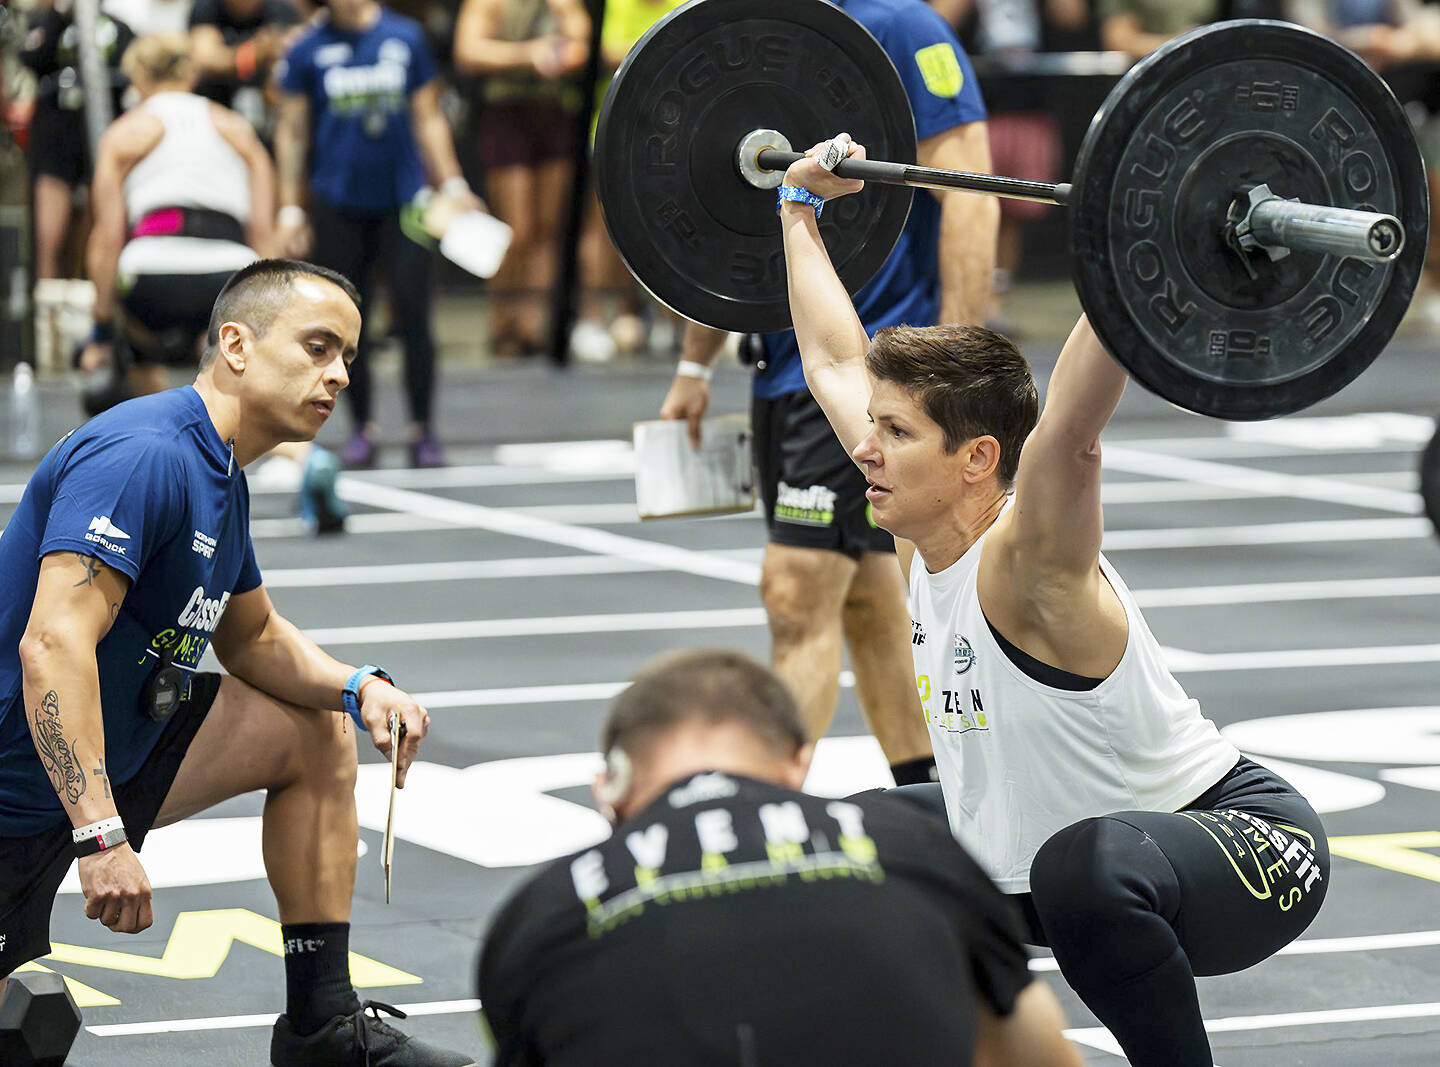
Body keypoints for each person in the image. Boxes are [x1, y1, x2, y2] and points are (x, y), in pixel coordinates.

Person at [774, 134, 1331, 1067]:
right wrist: (797, 206)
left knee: (1084, 863)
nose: (864, 450)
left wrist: (1139, 242)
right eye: (875, 427)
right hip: (1034, 868)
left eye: (896, 432)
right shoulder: (919, 524)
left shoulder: (1026, 560)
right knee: (835, 837)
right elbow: (834, 361)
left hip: (1238, 849)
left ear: (978, 459)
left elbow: (1073, 426)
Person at [0, 259, 474, 1067]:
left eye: (349, 358)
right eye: (319, 346)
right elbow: (52, 644)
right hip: (20, 791)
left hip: (110, 762)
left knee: (314, 730)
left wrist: (361, 686)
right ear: (236, 345)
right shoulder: (143, 455)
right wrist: (102, 835)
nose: (337, 375)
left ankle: (322, 1025)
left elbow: (251, 638)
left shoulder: (221, 474)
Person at [659, 0, 998, 789]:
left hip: (872, 365)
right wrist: (694, 364)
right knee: (872, 600)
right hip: (783, 360)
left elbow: (971, 192)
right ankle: (935, 800)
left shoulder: (900, 25)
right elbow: (720, 223)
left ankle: (769, 810)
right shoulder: (743, 35)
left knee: (796, 589)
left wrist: (956, 368)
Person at [478, 648, 1083, 1067]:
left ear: (607, 789)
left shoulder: (541, 913)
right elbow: (1034, 1046)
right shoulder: (914, 846)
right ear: (799, 763)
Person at [78, 32, 348, 533]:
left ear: (139, 79)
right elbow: (264, 237)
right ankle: (301, 460)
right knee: (236, 384)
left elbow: (106, 238)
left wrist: (100, 328)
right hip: (228, 273)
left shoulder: (125, 130)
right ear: (190, 75)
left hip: (152, 271)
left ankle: (160, 484)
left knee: (137, 360)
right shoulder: (236, 129)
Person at [274, 0, 485, 469]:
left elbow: (427, 115)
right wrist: (290, 207)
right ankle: (363, 429)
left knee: (414, 308)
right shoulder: (307, 48)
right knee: (347, 322)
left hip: (406, 202)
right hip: (337, 202)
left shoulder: (405, 37)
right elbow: (291, 130)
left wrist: (451, 183)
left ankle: (423, 430)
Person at [453, 0, 589, 359]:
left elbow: (582, 40)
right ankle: (504, 323)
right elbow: (468, 50)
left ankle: (536, 324)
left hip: (553, 110)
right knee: (517, 228)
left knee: (549, 227)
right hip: (506, 112)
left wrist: (561, 22)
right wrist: (529, 55)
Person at [19, 0, 134, 281]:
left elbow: (132, 69)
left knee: (96, 229)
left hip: (100, 139)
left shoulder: (116, 27)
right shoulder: (46, 22)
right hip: (54, 138)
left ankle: (96, 302)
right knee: (49, 234)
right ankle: (47, 309)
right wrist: (57, 17)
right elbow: (30, 57)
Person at [187, 0, 302, 138]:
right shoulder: (207, 7)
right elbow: (205, 59)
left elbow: (294, 60)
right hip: (216, 113)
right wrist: (253, 53)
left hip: (267, 115)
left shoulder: (280, 10)